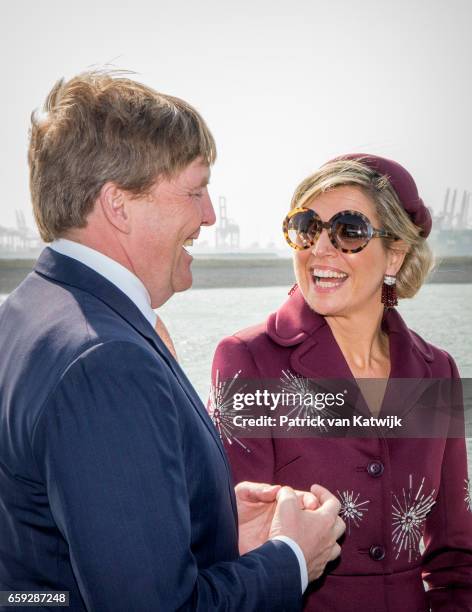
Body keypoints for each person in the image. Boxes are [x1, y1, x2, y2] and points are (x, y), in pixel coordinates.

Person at [0, 71, 346, 611]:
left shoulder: (23, 315)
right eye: (194, 190)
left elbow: (44, 559)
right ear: (118, 205)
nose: (208, 215)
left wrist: (211, 522)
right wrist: (290, 558)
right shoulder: (104, 359)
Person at [211, 154, 472, 611]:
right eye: (306, 227)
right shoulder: (249, 361)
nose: (320, 249)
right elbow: (234, 551)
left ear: (396, 253)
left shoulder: (436, 372)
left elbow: (456, 557)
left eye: (349, 231)